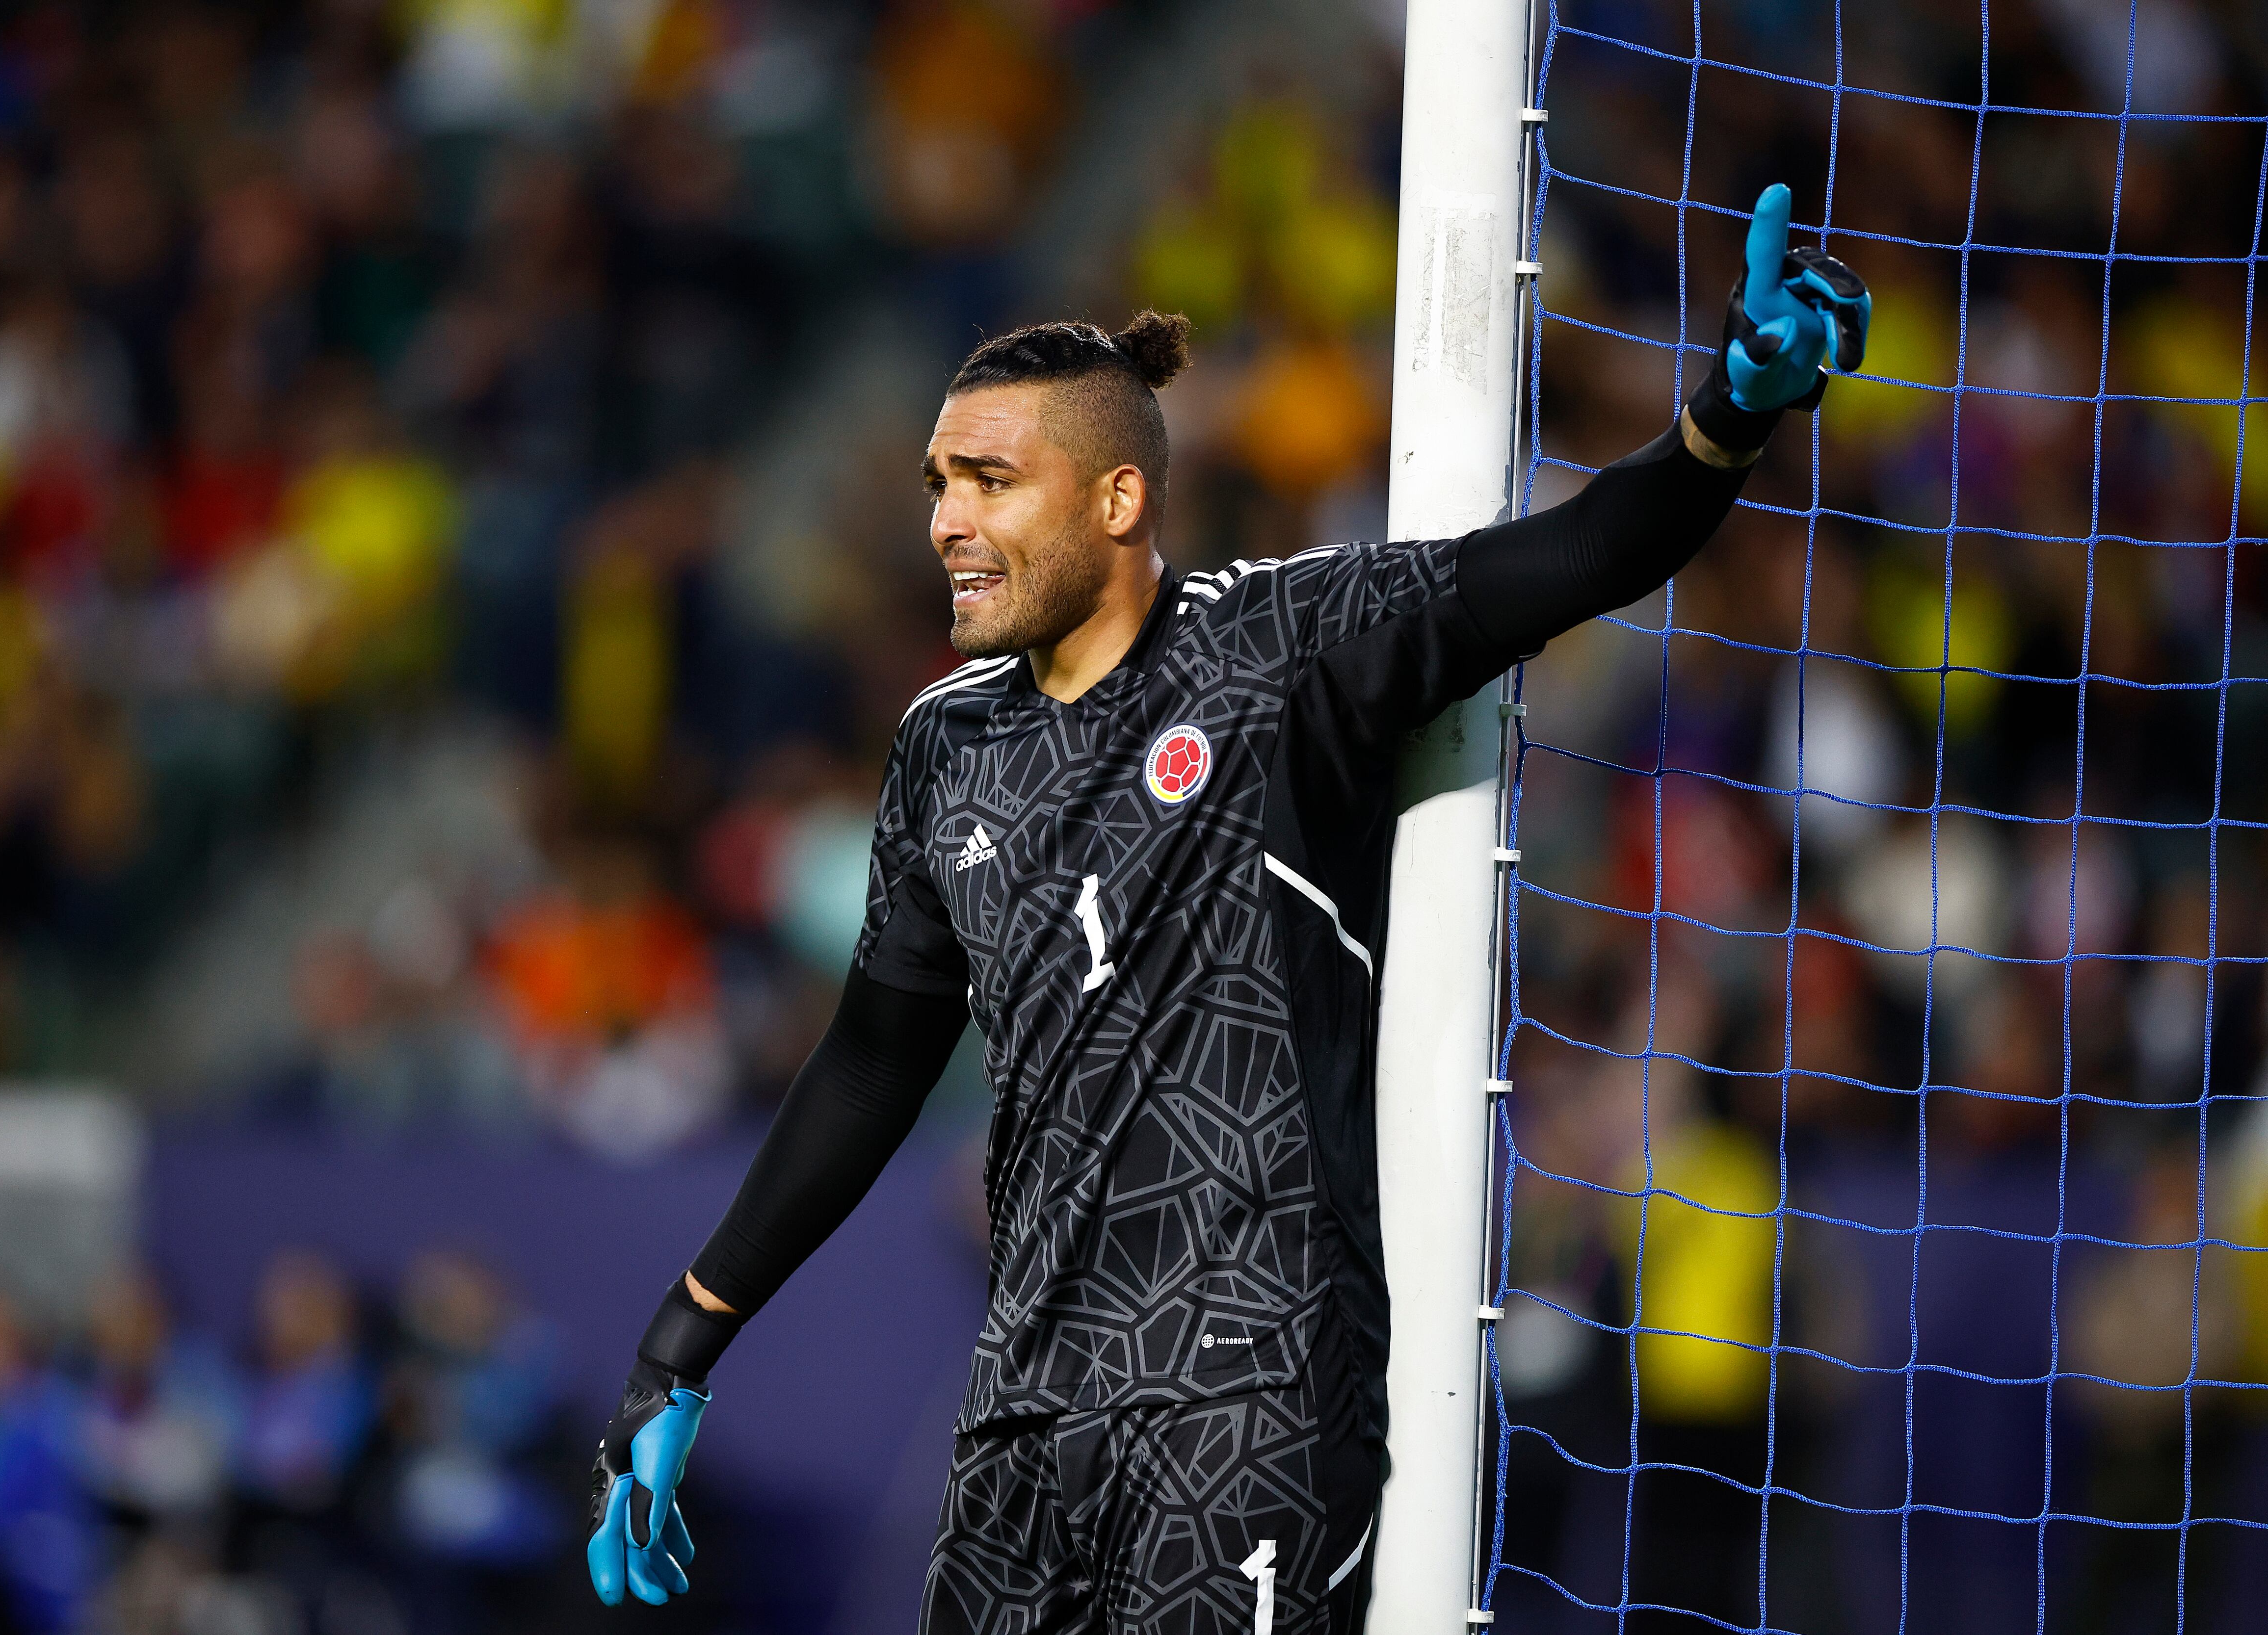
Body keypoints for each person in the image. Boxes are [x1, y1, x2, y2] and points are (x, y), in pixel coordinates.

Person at [586, 184, 1869, 1632]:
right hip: (1030, 1406)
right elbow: (875, 1059)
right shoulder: (943, 747)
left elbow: (1572, 558)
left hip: (1252, 1389)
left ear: (1118, 498)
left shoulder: (1278, 650)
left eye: (989, 482)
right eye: (939, 481)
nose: (946, 520)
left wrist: (1724, 422)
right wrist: (685, 1338)